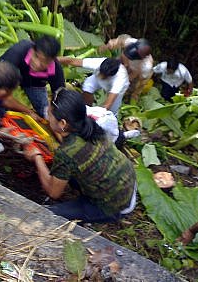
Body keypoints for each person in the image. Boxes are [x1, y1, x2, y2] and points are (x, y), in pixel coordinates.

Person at [23, 88, 137, 223]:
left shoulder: (67, 153)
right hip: (126, 183)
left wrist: (37, 156)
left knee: (48, 216)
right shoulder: (90, 126)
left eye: (50, 114)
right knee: (64, 169)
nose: (48, 117)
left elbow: (54, 193)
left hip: (114, 205)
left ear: (63, 123)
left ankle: (89, 213)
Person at [0, 35, 65, 119]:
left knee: (45, 113)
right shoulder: (16, 53)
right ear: (32, 50)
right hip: (12, 75)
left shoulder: (56, 69)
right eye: (36, 56)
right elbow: (2, 96)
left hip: (35, 83)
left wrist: (53, 116)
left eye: (43, 62)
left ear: (52, 61)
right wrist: (28, 112)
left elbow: (60, 99)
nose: (37, 64)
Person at [58, 57, 129, 116]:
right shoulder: (98, 63)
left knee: (111, 111)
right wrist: (52, 58)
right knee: (87, 85)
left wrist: (96, 114)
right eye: (101, 73)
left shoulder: (120, 80)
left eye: (104, 76)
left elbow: (107, 105)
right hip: (97, 79)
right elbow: (72, 61)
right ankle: (85, 107)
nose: (101, 77)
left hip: (115, 91)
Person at [99, 34, 154, 101]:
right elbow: (118, 41)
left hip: (136, 73)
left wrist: (122, 80)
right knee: (109, 69)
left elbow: (140, 79)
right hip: (123, 60)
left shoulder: (146, 66)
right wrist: (107, 46)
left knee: (128, 88)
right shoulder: (132, 42)